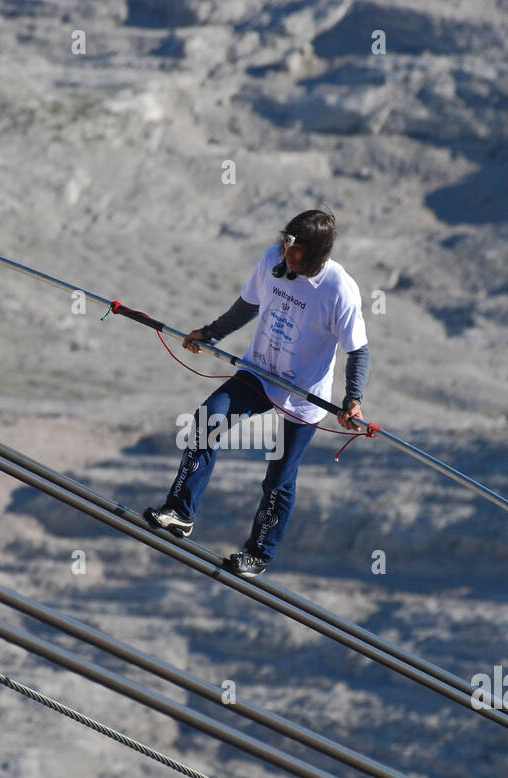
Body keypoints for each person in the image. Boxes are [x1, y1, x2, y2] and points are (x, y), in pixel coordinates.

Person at [144, 209, 369, 578]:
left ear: (317, 254)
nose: (286, 252)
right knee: (206, 421)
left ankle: (258, 553)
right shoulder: (272, 260)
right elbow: (248, 305)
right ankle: (181, 512)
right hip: (260, 373)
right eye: (286, 242)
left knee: (278, 479)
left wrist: (353, 399)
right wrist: (211, 332)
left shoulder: (339, 290)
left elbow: (358, 350)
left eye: (295, 249)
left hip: (302, 395)